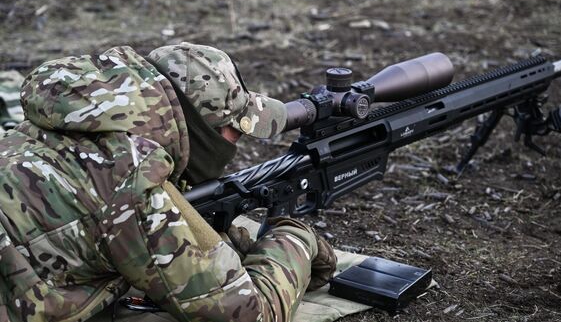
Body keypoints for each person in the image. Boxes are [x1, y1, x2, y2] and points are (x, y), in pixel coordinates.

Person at [0, 43, 336, 322]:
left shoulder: (67, 120)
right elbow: (251, 315)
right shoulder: (137, 186)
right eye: (234, 128)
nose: (236, 140)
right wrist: (295, 239)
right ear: (201, 131)